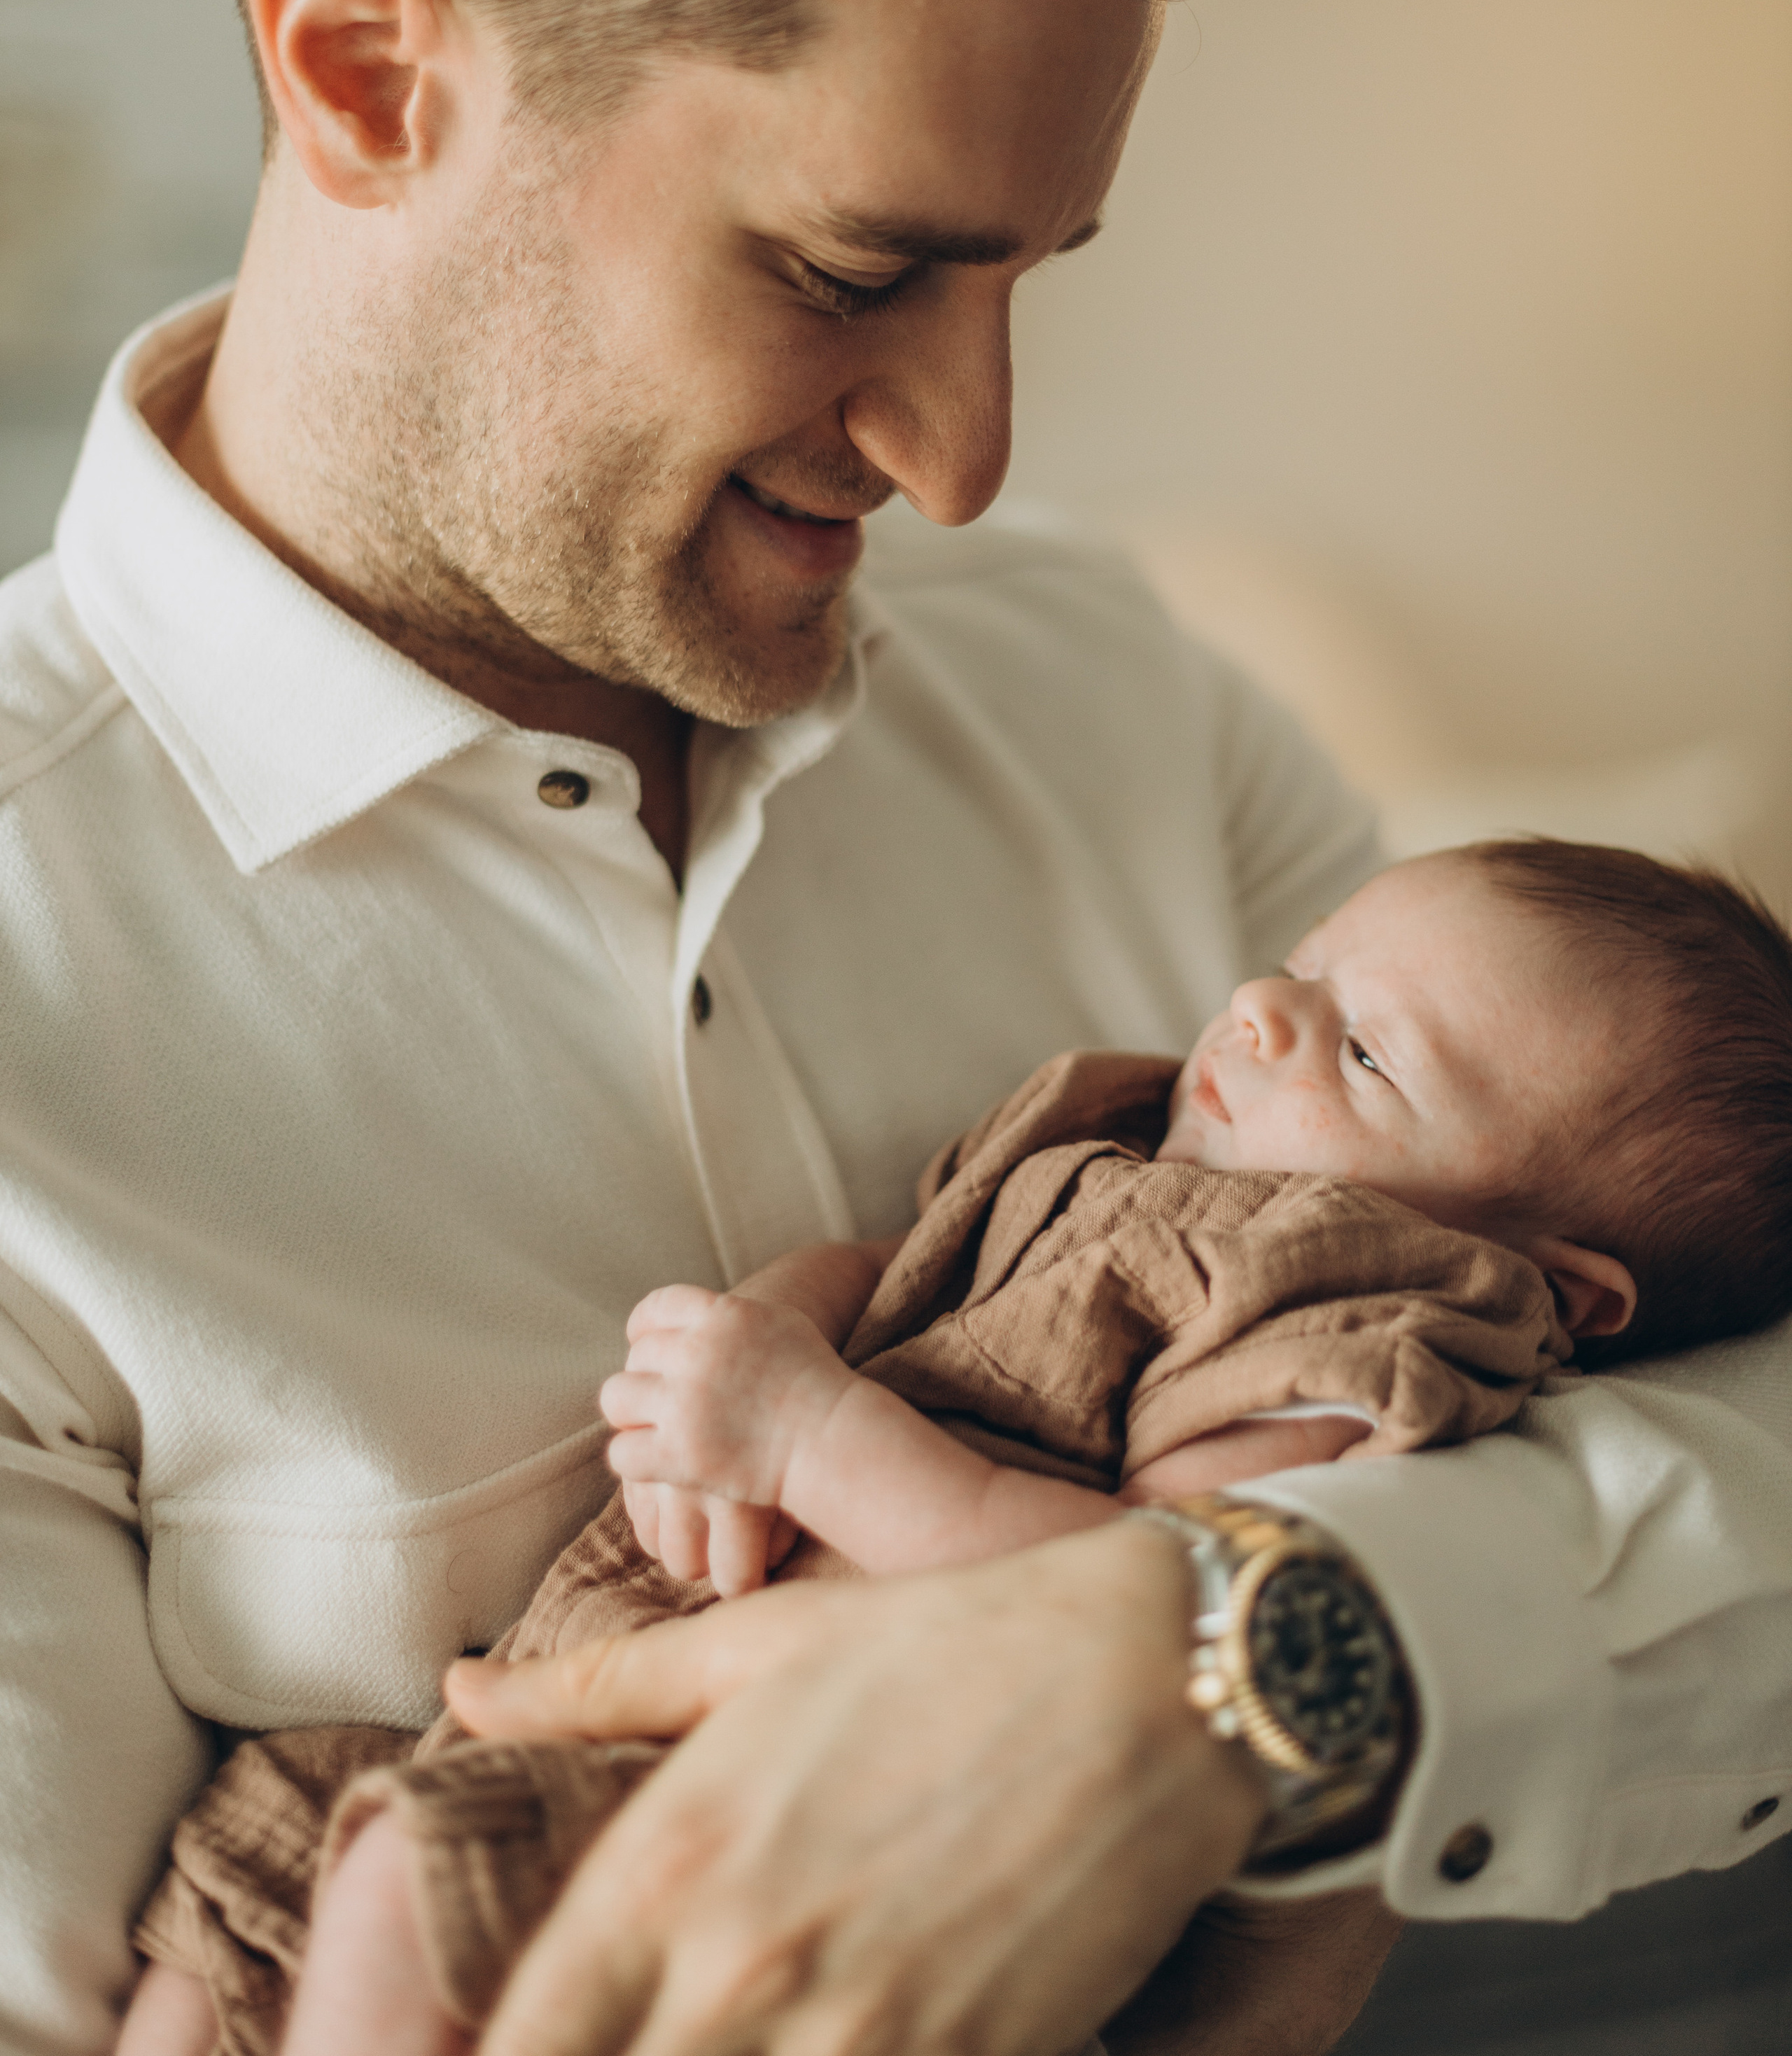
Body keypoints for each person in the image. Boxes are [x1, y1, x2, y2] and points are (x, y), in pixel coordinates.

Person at [1, 0, 1789, 2055]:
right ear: (369, 65)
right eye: (855, 271)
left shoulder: (1117, 702)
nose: (968, 462)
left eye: (1024, 277)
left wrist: (1251, 1660)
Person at [121, 837, 1792, 2053]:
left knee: (407, 1883)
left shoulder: (1346, 1309)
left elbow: (1127, 1605)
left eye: (1362, 1051)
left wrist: (816, 1434)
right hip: (568, 1718)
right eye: (1302, 962)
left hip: (832, 1819)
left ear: (1560, 1288)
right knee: (260, 1857)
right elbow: (891, 1269)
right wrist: (760, 1335)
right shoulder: (1119, 1135)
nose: (1257, 1008)